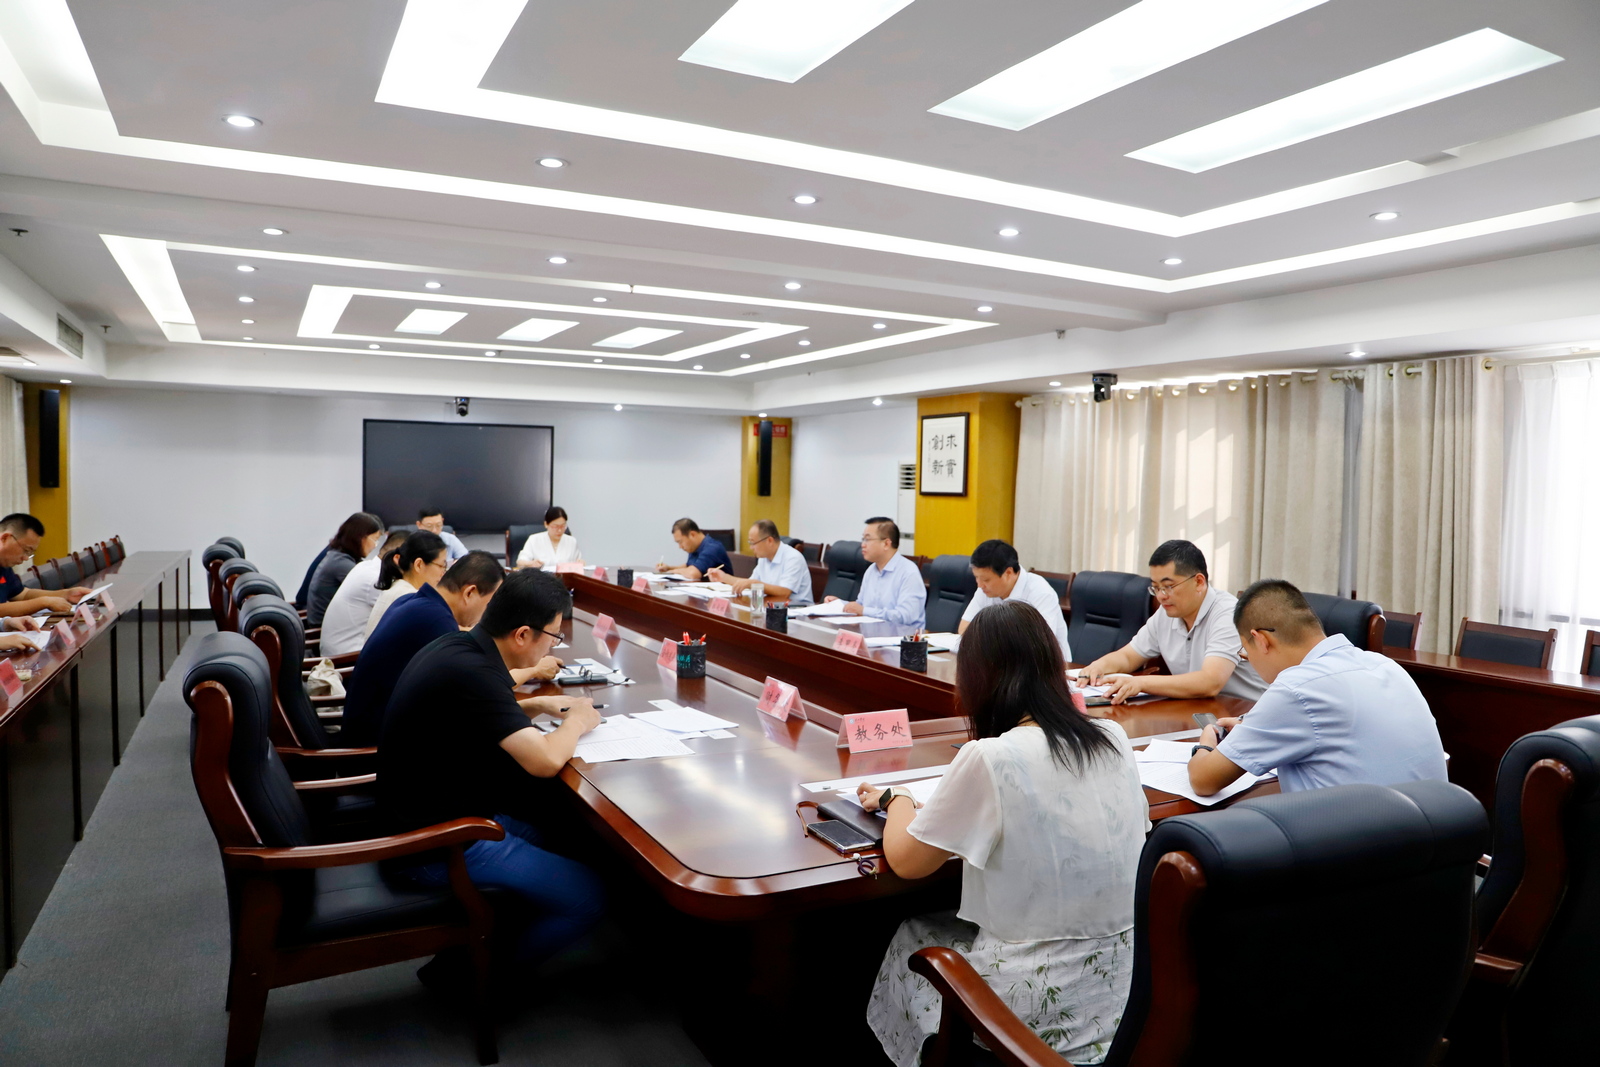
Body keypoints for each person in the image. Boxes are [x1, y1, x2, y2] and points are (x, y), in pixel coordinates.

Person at [858, 600, 1148, 1066]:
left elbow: (907, 861)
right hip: (1124, 1001)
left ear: (978, 679)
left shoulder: (990, 756)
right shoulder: (1113, 738)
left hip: (1029, 1016)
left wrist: (898, 800)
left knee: (913, 933)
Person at [380, 569, 605, 982]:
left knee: (557, 834)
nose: (554, 645)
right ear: (523, 635)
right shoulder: (475, 672)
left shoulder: (461, 646)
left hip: (433, 814)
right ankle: (474, 979)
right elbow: (544, 761)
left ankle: (473, 947)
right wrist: (578, 721)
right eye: (553, 636)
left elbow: (475, 711)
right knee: (590, 897)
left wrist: (537, 705)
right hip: (435, 844)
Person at [1188, 579, 1448, 797]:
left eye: (1245, 652)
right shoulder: (1385, 665)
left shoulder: (1295, 687)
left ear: (1261, 640)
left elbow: (1203, 780)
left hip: (1364, 841)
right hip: (1436, 832)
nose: (1248, 659)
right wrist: (1254, 727)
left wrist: (1207, 741)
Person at [343, 551, 561, 745]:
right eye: (491, 603)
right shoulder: (437, 623)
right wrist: (534, 669)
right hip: (372, 744)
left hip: (368, 724)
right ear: (470, 593)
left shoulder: (416, 602)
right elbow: (484, 684)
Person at [1078, 539, 1266, 704]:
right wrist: (1098, 667)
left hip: (1243, 714)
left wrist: (1140, 683)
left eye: (1168, 587)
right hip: (1198, 710)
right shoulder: (1166, 613)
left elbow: (1210, 682)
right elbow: (1128, 656)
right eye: (1155, 588)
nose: (1161, 596)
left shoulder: (1228, 613)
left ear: (1199, 582)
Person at [960, 539, 1070, 657]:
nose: (980, 585)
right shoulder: (985, 590)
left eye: (985, 579)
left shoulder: (1041, 593)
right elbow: (965, 629)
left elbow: (1039, 643)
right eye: (976, 578)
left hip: (1042, 663)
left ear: (1008, 573)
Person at [317, 529, 407, 658]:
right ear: (398, 558)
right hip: (346, 658)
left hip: (338, 650)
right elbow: (403, 616)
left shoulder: (365, 566)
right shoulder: (376, 579)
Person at [825, 517, 925, 628]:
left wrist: (864, 611)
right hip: (873, 633)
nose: (863, 545)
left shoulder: (908, 572)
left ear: (886, 544)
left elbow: (905, 617)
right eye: (863, 539)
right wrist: (840, 604)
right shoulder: (871, 570)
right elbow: (861, 605)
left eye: (867, 539)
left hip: (902, 636)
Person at [706, 520, 813, 606]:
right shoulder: (763, 558)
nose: (751, 547)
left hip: (797, 612)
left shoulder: (793, 558)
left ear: (769, 541)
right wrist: (724, 577)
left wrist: (753, 583)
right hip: (771, 607)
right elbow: (748, 584)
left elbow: (784, 592)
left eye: (753, 543)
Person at [304, 513, 383, 626]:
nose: (375, 546)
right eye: (375, 539)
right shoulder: (341, 564)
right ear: (360, 537)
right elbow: (373, 588)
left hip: (330, 624)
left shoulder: (339, 555)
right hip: (323, 629)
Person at [364, 530, 448, 637]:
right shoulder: (410, 598)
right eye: (442, 566)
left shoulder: (398, 587)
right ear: (419, 565)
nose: (443, 573)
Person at [0, 513, 87, 616]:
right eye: (26, 550)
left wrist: (66, 594)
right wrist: (43, 602)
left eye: (30, 553)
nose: (26, 558)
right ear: (5, 538)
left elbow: (22, 594)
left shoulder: (4, 565)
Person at [656, 518, 730, 580]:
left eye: (680, 542)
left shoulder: (712, 548)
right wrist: (669, 568)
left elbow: (693, 573)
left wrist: (673, 571)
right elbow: (689, 566)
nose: (680, 546)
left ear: (692, 534)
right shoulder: (695, 547)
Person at [516, 506, 581, 569]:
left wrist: (580, 563)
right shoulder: (534, 540)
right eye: (555, 526)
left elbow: (578, 563)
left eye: (563, 526)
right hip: (541, 576)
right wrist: (531, 563)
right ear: (546, 524)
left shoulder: (572, 541)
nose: (559, 530)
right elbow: (520, 563)